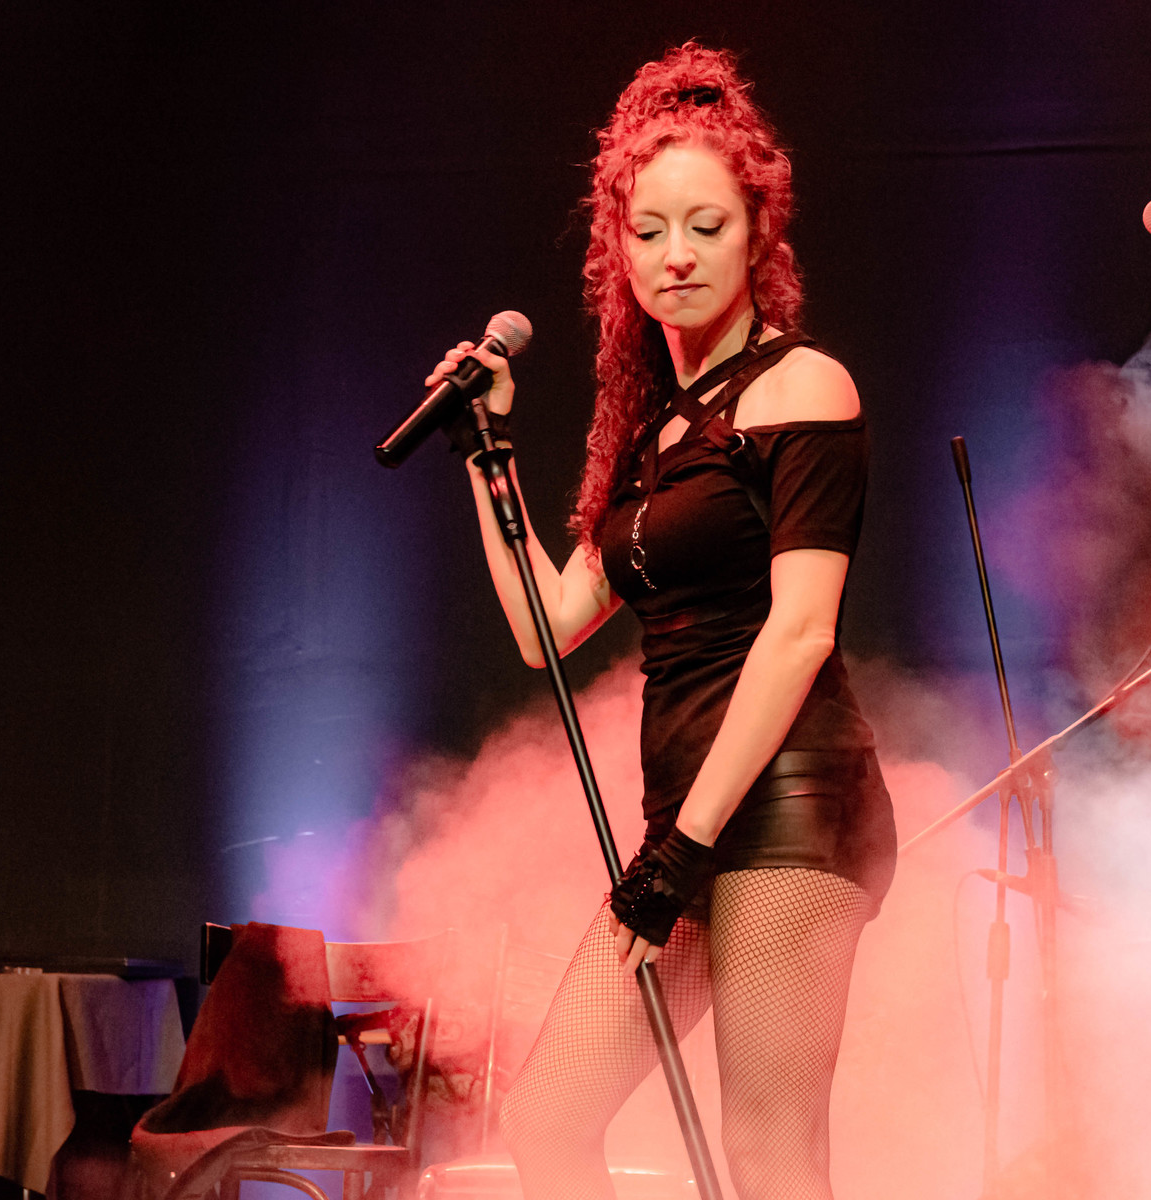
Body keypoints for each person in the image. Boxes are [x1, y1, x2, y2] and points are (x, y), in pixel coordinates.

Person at [423, 42, 896, 1200]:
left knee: (769, 1148)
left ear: (757, 234)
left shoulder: (803, 388)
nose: (675, 255)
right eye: (648, 231)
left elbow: (801, 634)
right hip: (685, 821)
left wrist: (679, 853)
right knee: (548, 1115)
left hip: (789, 807)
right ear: (618, 250)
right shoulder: (654, 436)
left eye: (705, 226)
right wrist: (488, 454)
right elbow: (549, 626)